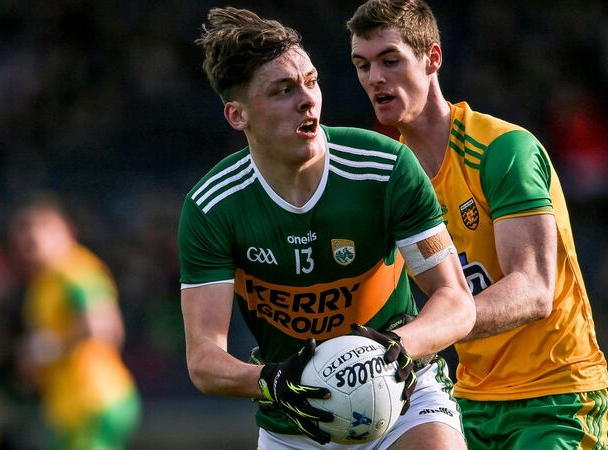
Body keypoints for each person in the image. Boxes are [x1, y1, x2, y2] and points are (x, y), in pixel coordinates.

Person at [178, 6, 475, 450]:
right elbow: (204, 361)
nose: (308, 100)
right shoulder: (212, 207)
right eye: (283, 90)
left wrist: (398, 346)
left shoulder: (385, 168)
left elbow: (456, 301)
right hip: (293, 422)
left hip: (403, 395)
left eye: (311, 81)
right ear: (238, 116)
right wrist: (273, 382)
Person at [347, 1, 608, 449]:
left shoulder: (501, 150)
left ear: (433, 58)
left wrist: (418, 335)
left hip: (558, 399)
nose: (374, 77)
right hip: (468, 407)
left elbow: (533, 290)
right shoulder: (390, 181)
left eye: (390, 60)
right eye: (363, 65)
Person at [10, 193, 140, 450]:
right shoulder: (42, 285)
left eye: (39, 228)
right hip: (68, 410)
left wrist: (49, 347)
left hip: (95, 402)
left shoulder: (76, 270)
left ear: (64, 230)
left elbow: (103, 325)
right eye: (23, 231)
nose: (30, 237)